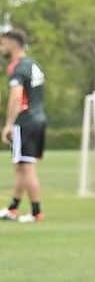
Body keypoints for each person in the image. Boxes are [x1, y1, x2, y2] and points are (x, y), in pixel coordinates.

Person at [1, 28, 47, 224]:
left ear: (13, 43)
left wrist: (8, 124)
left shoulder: (17, 67)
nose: (1, 48)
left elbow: (17, 96)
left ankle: (36, 212)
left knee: (26, 167)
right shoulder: (34, 65)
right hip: (38, 119)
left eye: (2, 43)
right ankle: (13, 208)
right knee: (21, 165)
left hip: (25, 121)